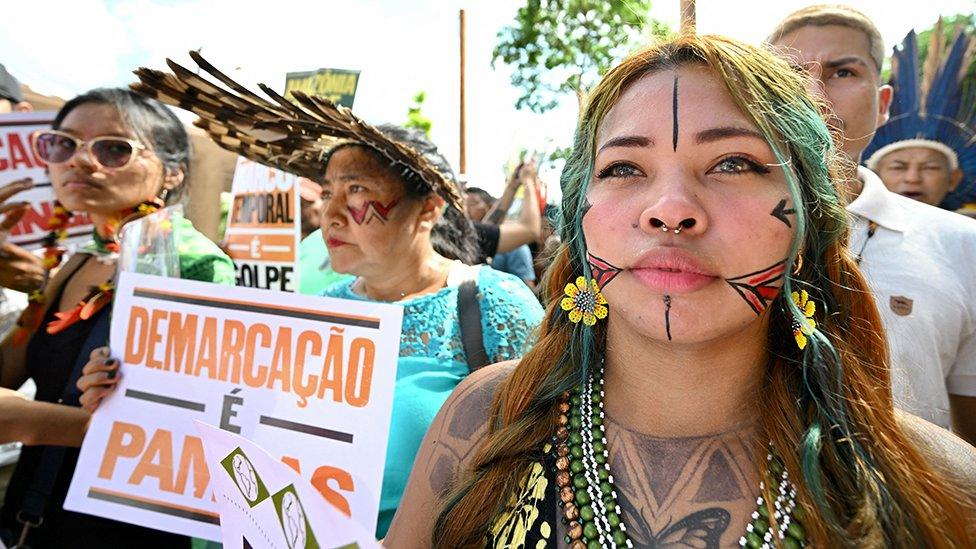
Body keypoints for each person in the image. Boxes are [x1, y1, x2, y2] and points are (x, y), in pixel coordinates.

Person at [384, 34, 976, 549]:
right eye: (623, 169)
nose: (670, 211)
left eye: (734, 164)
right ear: (580, 219)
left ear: (807, 218)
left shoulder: (937, 484)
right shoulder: (484, 421)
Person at [91, 60, 546, 539]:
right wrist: (126, 390)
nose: (328, 213)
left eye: (356, 191)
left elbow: (548, 442)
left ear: (429, 208)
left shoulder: (491, 303)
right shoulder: (319, 307)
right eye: (328, 192)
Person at [0, 88, 234, 547]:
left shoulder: (196, 265)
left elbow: (185, 430)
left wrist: (34, 422)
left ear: (172, 172)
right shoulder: (73, 261)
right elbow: (9, 368)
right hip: (35, 513)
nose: (80, 161)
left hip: (123, 525)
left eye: (113, 148)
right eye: (63, 144)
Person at [769, 4, 976, 445]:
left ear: (882, 105)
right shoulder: (700, 231)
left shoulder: (963, 244)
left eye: (843, 72)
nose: (813, 93)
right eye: (786, 76)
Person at [861, 26, 976, 210]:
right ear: (874, 175)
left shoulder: (968, 235)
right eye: (898, 167)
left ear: (954, 179)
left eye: (930, 167)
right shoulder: (846, 234)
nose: (912, 178)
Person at [466, 186, 537, 288]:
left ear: (489, 207)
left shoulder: (515, 246)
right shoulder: (465, 239)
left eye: (472, 204)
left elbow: (528, 288)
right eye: (464, 203)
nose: (467, 208)